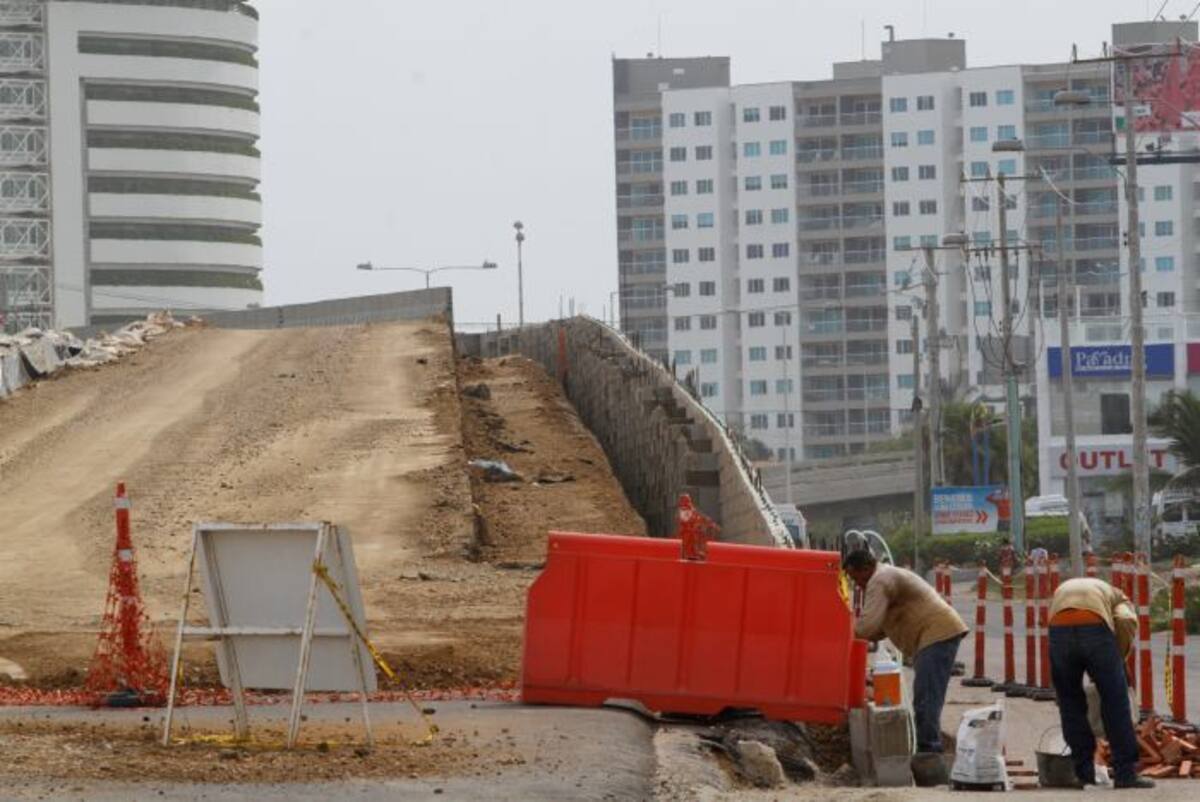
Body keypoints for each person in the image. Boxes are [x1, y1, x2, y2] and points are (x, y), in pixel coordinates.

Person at [842, 549, 968, 754]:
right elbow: (879, 628)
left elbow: (866, 627)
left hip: (936, 634)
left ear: (866, 568)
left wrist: (840, 636)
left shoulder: (879, 580)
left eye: (857, 578)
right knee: (926, 697)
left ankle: (929, 754)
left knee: (926, 699)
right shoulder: (885, 576)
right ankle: (927, 748)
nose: (858, 585)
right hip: (934, 635)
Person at [1048, 576, 1151, 789]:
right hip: (1095, 629)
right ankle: (1125, 774)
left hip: (1058, 628)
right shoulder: (1120, 598)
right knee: (1115, 702)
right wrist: (1119, 660)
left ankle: (1082, 774)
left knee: (1070, 703)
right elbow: (1125, 621)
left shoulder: (1066, 588)